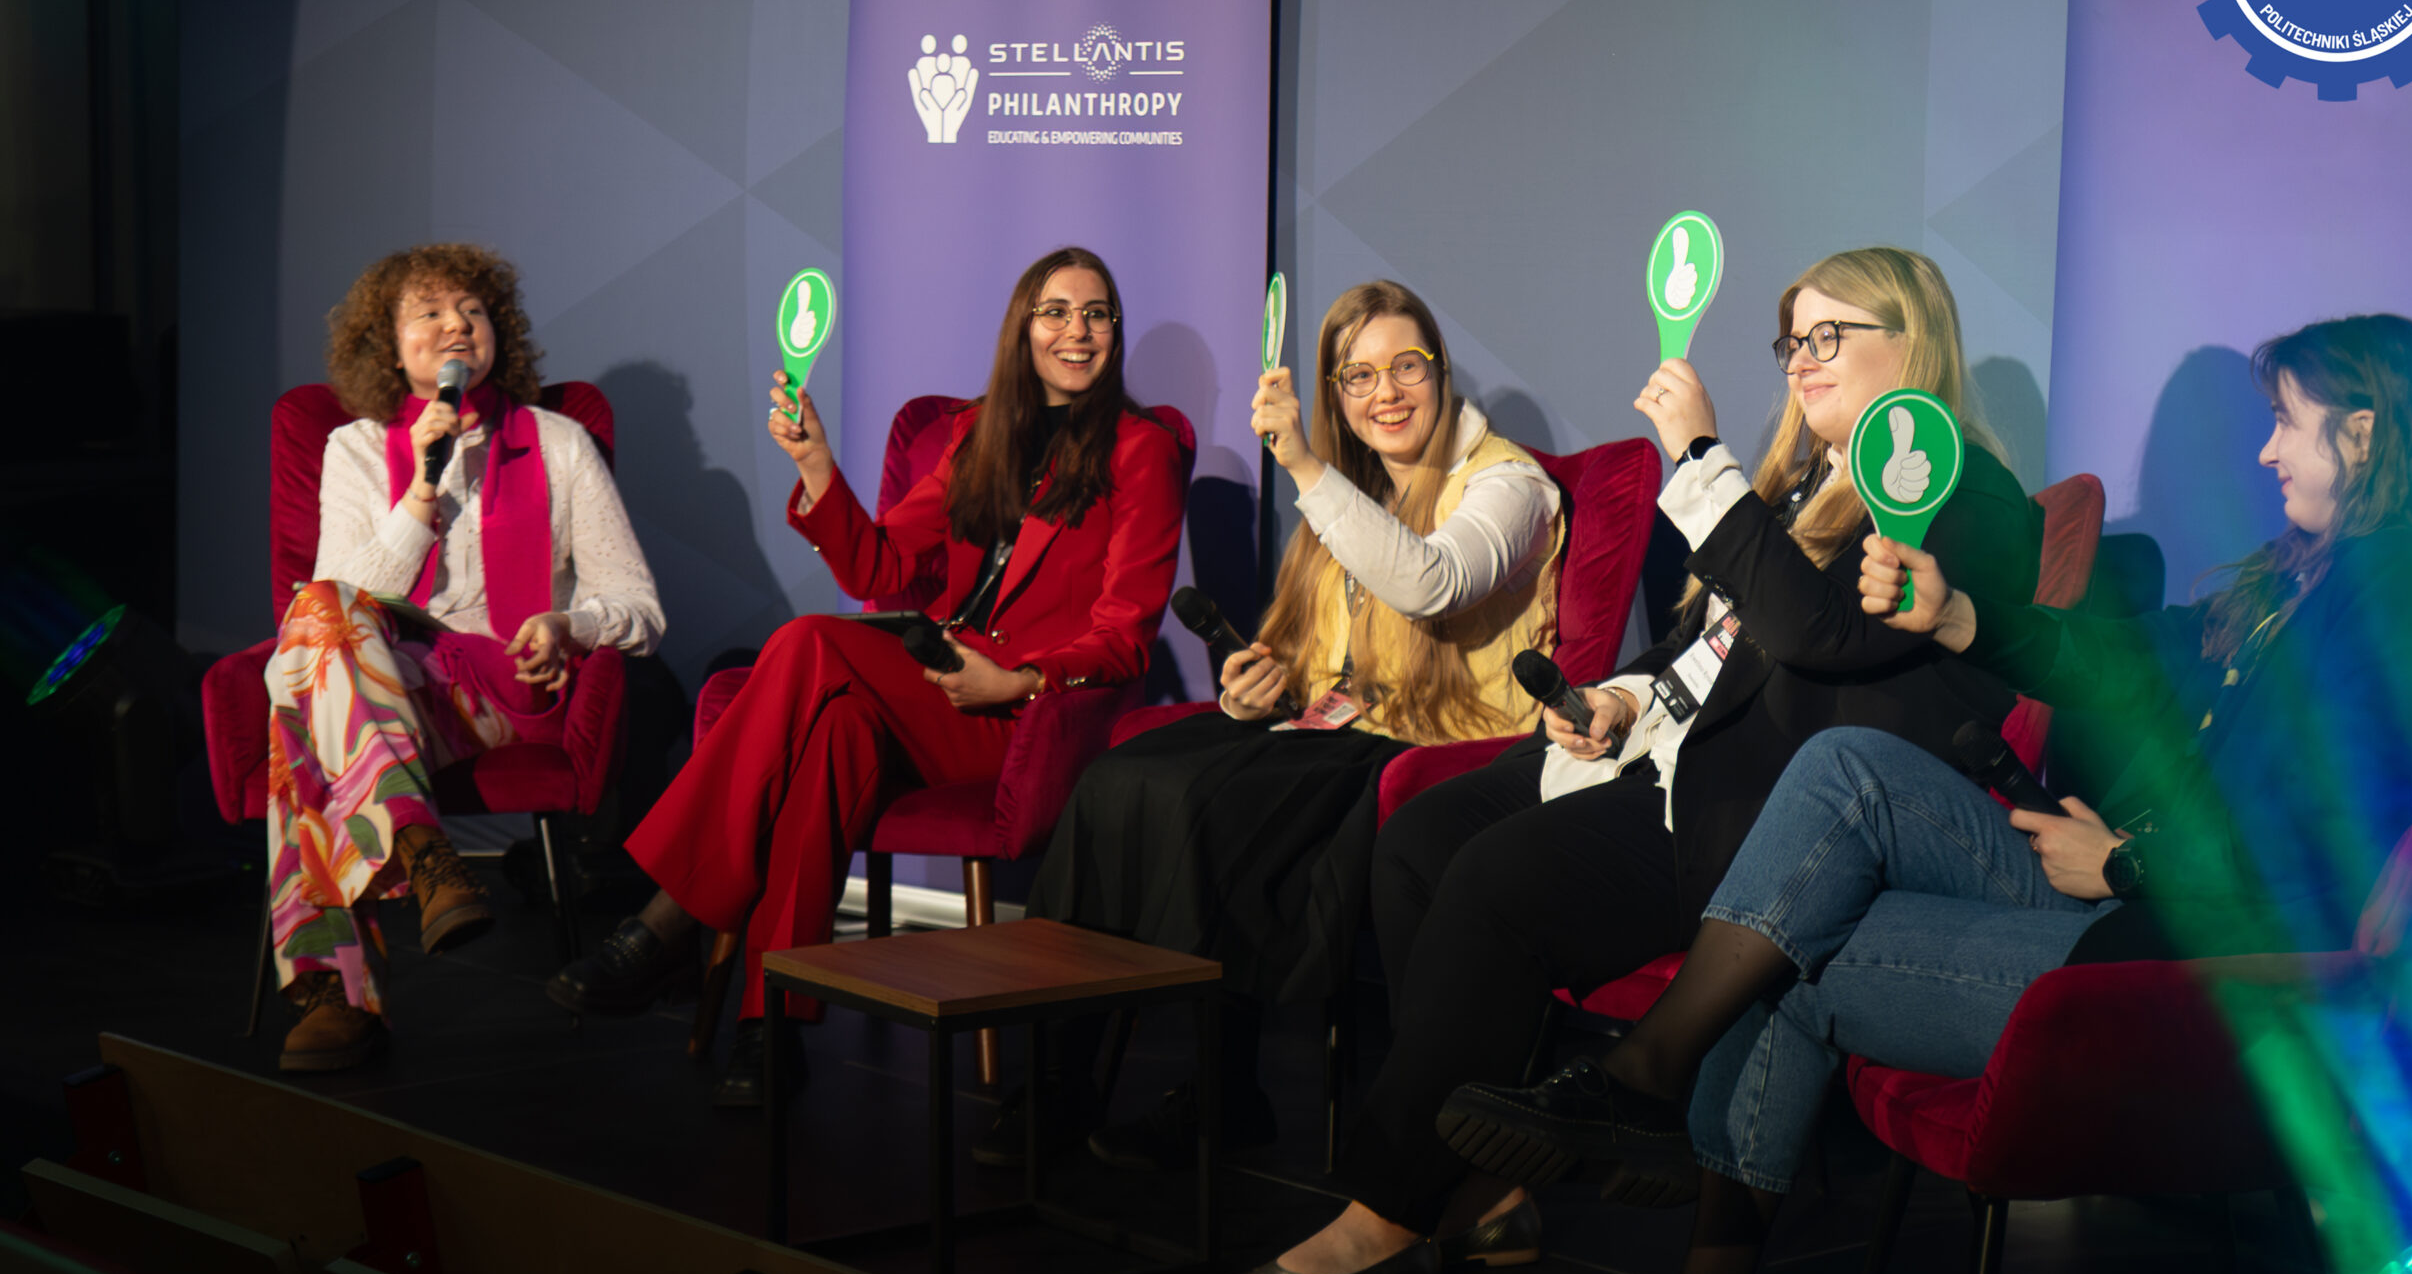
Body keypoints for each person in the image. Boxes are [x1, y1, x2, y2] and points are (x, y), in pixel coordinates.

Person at [1441, 313, 2412, 1274]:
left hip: (2199, 959)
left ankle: (1681, 1257)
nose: (2266, 449)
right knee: (1843, 771)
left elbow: (2332, 835)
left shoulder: (2401, 584)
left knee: (1785, 949)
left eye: (2285, 422)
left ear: (2365, 432)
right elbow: (2128, 659)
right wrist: (1955, 615)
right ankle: (1654, 1108)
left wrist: (2133, 864)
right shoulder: (2313, 576)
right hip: (2147, 912)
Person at [1212, 246, 2042, 1274]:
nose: (1799, 360)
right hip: (1670, 753)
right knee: (1418, 840)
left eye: (1830, 336)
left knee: (1497, 881)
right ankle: (1481, 1187)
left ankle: (1389, 1211)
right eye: (1792, 338)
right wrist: (1619, 697)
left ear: (1912, 340)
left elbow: (1817, 635)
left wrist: (1699, 456)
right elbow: (1706, 648)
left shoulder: (1966, 494)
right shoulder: (1801, 481)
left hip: (1766, 817)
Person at [546, 246, 1187, 1105]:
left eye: (1097, 313)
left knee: (809, 639)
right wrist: (817, 465)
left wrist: (1020, 681)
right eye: (1056, 311)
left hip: (1025, 718)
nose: (1079, 330)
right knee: (832, 738)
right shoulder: (976, 434)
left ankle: (668, 918)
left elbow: (1125, 636)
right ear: (1022, 328)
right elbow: (882, 567)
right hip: (937, 685)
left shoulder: (1142, 450)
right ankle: (770, 1027)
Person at [1014, 280, 1565, 1171]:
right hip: (1335, 729)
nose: (1385, 393)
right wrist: (1253, 688)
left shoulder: (1509, 483)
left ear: (1442, 371)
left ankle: (1223, 1089)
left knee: (1208, 804)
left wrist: (1306, 466)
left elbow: (1430, 582)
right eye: (1358, 376)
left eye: (1406, 366)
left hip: (1437, 749)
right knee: (1121, 779)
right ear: (1337, 393)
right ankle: (1053, 1080)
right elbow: (1315, 661)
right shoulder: (1355, 491)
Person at [269, 244, 664, 1073]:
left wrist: (569, 624)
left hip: (501, 691)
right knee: (319, 632)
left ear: (497, 332)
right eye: (430, 312)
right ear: (389, 345)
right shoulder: (355, 449)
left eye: (472, 310)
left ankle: (337, 990)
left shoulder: (558, 442)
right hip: (388, 684)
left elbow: (639, 607)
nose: (456, 325)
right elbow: (339, 604)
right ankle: (422, 850)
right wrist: (421, 492)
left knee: (302, 705)